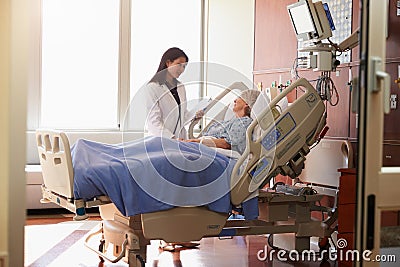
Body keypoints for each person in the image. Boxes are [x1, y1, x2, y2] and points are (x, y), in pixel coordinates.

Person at [145, 47, 203, 139]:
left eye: (184, 66)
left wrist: (194, 117)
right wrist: (172, 138)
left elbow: (181, 115)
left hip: (179, 140)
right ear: (168, 63)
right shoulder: (153, 87)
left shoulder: (180, 87)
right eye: (179, 64)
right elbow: (154, 122)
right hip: (160, 139)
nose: (182, 69)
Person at [183, 89, 260, 154]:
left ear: (247, 103)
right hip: (203, 147)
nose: (235, 100)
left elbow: (227, 144)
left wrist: (196, 142)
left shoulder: (244, 122)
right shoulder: (231, 121)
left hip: (210, 152)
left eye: (239, 97)